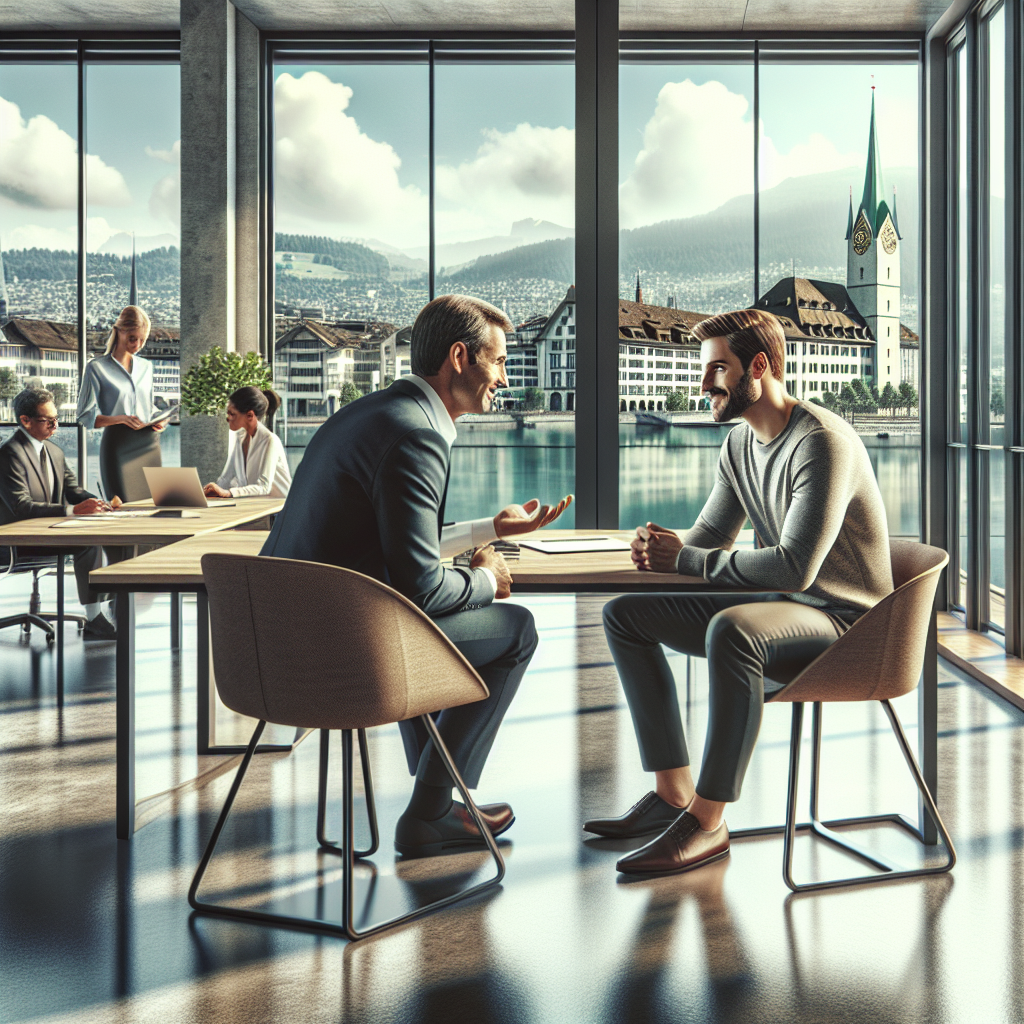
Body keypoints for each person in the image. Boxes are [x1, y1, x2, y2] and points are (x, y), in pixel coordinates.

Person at [585, 308, 893, 876]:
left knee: (734, 631)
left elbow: (794, 568)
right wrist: (663, 545)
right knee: (626, 615)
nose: (703, 383)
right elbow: (710, 536)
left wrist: (686, 559)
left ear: (759, 367)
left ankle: (708, 823)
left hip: (849, 624)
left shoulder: (821, 443)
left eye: (717, 369)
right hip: (787, 609)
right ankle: (673, 794)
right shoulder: (739, 444)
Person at [261, 294, 572, 857]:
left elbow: (390, 544)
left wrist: (488, 530)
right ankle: (430, 810)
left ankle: (437, 796)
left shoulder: (372, 414)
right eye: (499, 361)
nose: (504, 378)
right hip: (337, 657)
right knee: (515, 630)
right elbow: (421, 589)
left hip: (269, 650)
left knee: (414, 627)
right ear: (459, 357)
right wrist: (485, 580)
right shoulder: (417, 434)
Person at [0, 387, 117, 639]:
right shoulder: (9, 454)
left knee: (104, 536)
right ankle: (94, 617)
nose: (56, 425)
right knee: (89, 543)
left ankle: (106, 606)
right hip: (16, 542)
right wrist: (72, 511)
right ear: (25, 420)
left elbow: (74, 491)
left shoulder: (54, 452)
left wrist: (101, 504)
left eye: (57, 418)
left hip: (49, 534)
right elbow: (21, 506)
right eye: (48, 420)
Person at [76, 305, 166, 503]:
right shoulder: (96, 368)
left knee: (152, 504)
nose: (138, 345)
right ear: (118, 331)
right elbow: (84, 416)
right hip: (118, 445)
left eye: (142, 340)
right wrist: (120, 419)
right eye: (133, 338)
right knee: (122, 505)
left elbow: (148, 408)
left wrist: (160, 419)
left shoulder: (146, 367)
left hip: (148, 444)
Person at [203, 387, 291, 499]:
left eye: (232, 414)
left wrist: (228, 493)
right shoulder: (240, 438)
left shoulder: (270, 440)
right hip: (256, 504)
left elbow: (264, 486)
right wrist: (205, 492)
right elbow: (226, 478)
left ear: (250, 415)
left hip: (280, 507)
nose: (227, 418)